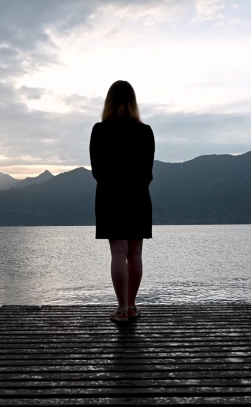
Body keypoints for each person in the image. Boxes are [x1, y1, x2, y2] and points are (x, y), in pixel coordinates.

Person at [89, 80, 155, 322]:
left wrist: (113, 185)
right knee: (135, 253)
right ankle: (132, 306)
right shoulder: (145, 131)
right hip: (138, 196)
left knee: (118, 251)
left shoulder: (100, 130)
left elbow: (97, 170)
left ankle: (121, 308)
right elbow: (148, 172)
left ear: (109, 101)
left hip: (110, 196)